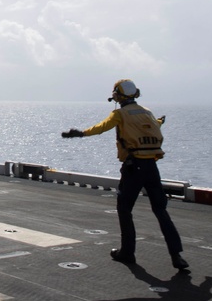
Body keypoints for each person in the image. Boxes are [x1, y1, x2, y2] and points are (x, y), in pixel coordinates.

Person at [62, 79, 189, 270]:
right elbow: (153, 126)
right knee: (161, 211)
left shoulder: (120, 113)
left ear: (119, 95)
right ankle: (176, 255)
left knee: (124, 209)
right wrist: (161, 121)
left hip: (133, 167)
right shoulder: (147, 112)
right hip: (152, 168)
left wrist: (80, 133)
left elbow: (102, 127)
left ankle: (127, 252)